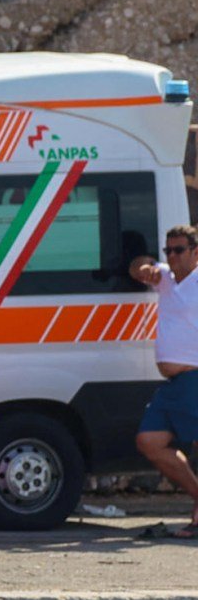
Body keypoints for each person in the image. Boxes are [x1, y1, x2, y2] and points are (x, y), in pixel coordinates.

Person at [129, 224, 198, 536]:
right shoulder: (166, 279)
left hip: (194, 377)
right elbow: (136, 266)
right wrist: (143, 266)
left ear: (195, 253)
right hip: (172, 385)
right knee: (149, 441)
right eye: (168, 251)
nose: (172, 256)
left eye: (179, 250)